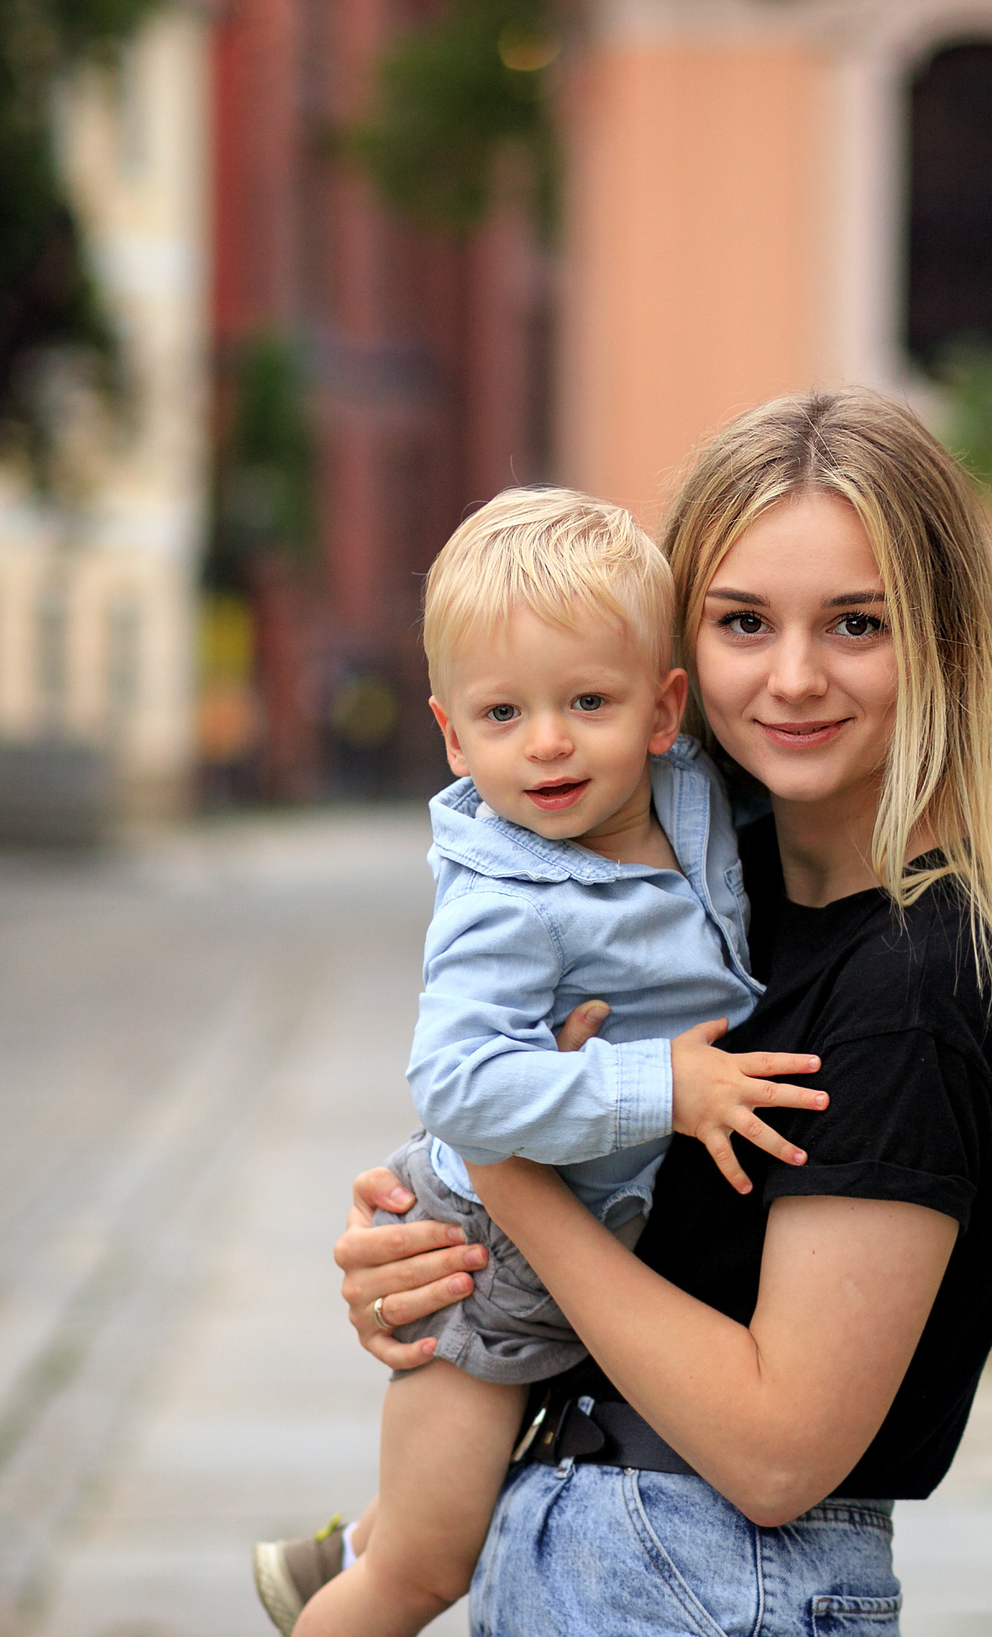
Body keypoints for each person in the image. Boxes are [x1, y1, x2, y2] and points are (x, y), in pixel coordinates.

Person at [316, 388, 992, 1634]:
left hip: (704, 1580)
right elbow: (633, 1245)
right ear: (678, 664)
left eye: (854, 623)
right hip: (591, 1540)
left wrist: (505, 1177)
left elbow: (781, 1453)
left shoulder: (915, 981)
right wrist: (433, 1255)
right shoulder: (725, 910)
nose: (792, 676)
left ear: (943, 642)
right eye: (742, 621)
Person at [252, 488, 833, 1637]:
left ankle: (348, 1544)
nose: (550, 742)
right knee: (425, 1571)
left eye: (587, 701)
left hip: (589, 1229)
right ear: (453, 735)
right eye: (504, 714)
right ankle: (355, 1570)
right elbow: (457, 1087)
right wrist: (664, 1087)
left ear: (665, 708)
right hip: (490, 1255)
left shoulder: (691, 797)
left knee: (431, 1510)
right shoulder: (506, 898)